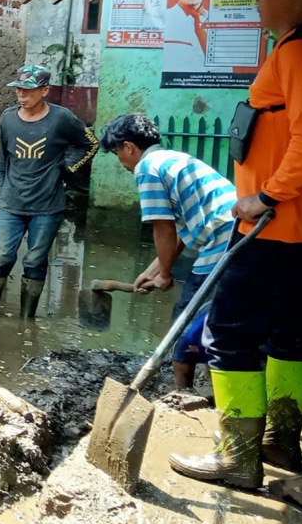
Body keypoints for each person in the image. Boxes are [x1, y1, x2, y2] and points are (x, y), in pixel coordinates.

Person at [170, 0, 302, 488]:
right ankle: (280, 444)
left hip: (274, 227)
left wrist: (266, 196)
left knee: (230, 334)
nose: (258, 1)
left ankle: (238, 457)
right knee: (292, 334)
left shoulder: (297, 53)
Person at [99, 112, 237, 389]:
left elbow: (163, 228)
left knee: (185, 317)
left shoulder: (147, 168)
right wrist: (153, 271)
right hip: (238, 231)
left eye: (117, 153)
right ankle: (210, 375)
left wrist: (164, 275)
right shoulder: (172, 159)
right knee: (219, 312)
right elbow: (182, 234)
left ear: (129, 147)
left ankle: (182, 394)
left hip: (223, 238)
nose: (121, 162)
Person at [0, 64, 99, 318]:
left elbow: (89, 144)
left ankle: (27, 319)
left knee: (35, 261)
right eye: (19, 90)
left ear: (45, 90)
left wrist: (66, 168)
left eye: (29, 90)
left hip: (48, 205)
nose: (22, 95)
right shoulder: (8, 118)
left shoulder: (62, 119)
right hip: (11, 202)